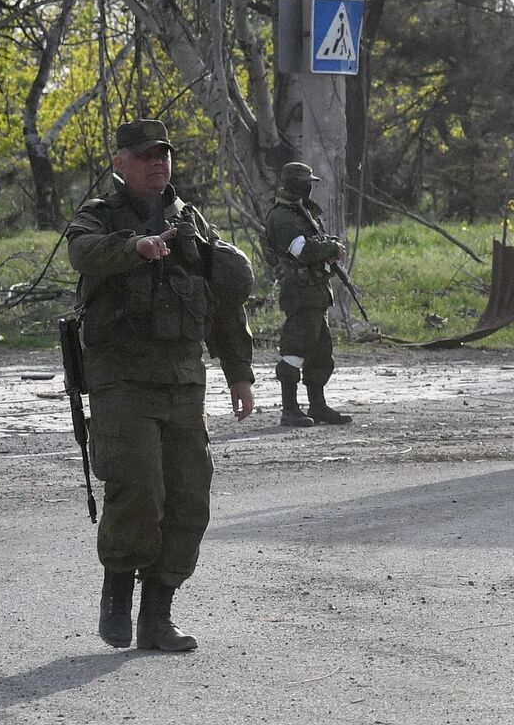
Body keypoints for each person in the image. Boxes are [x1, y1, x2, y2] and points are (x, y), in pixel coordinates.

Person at [66, 118, 256, 652]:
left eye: (164, 154)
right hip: (122, 381)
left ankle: (157, 615)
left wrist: (238, 373)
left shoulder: (191, 222)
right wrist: (136, 248)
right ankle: (116, 599)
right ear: (120, 164)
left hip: (182, 382)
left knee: (190, 498)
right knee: (138, 491)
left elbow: (224, 300)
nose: (158, 163)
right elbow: (83, 253)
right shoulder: (97, 217)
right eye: (146, 155)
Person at [263, 161, 353, 426]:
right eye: (304, 183)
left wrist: (329, 247)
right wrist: (331, 247)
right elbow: (304, 251)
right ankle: (290, 409)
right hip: (299, 291)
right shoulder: (281, 217)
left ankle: (318, 405)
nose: (308, 188)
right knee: (295, 349)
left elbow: (316, 246)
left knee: (321, 352)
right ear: (291, 184)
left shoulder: (303, 213)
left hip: (315, 291)